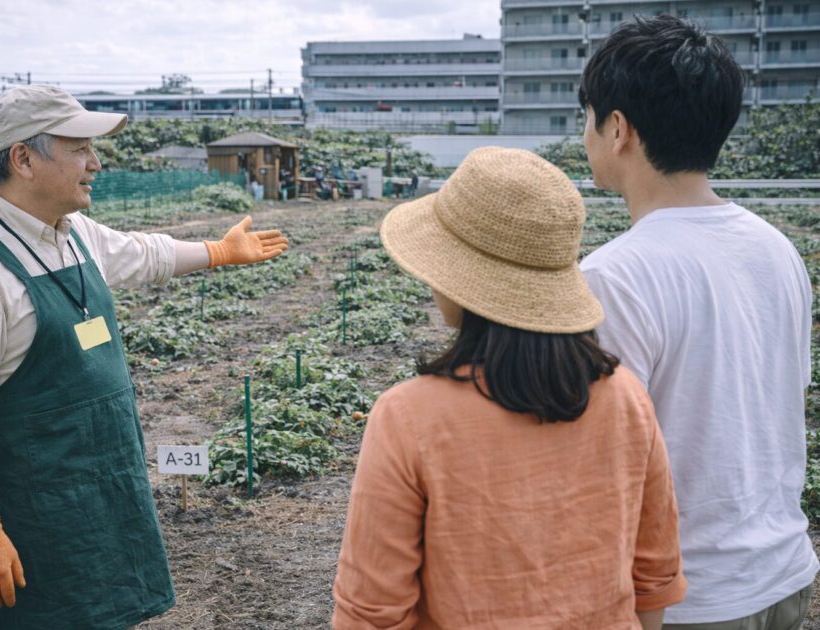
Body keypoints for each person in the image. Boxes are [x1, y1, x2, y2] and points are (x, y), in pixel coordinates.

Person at [0, 84, 288, 629]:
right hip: (34, 514)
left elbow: (140, 254)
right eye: (80, 149)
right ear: (24, 159)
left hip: (104, 493)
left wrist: (219, 252)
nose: (97, 163)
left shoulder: (71, 233)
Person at [332, 147, 687, 629]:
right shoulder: (626, 397)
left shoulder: (408, 416)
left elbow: (372, 610)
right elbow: (654, 574)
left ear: (458, 278)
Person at [577, 15, 817, 629]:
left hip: (691, 600)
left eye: (588, 117)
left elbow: (604, 461)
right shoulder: (775, 248)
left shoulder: (614, 275)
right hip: (783, 574)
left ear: (618, 129)